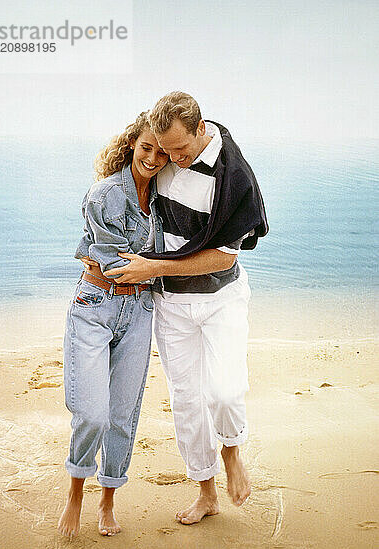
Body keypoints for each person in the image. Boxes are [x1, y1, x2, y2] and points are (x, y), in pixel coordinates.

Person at [104, 92, 268, 525]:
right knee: (188, 403)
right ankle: (206, 491)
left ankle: (232, 451)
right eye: (162, 149)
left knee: (225, 392)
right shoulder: (160, 159)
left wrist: (153, 267)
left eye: (179, 149)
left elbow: (225, 256)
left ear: (200, 129)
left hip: (221, 299)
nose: (170, 159)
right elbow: (120, 200)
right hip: (171, 304)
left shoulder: (233, 177)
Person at [57, 112, 169, 538]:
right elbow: (117, 265)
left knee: (123, 415)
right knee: (92, 413)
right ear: (131, 145)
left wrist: (150, 268)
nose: (154, 158)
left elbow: (152, 261)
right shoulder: (104, 194)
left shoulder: (164, 201)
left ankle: (108, 500)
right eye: (146, 148)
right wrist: (159, 267)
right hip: (95, 306)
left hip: (140, 311)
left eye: (162, 152)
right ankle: (75, 492)